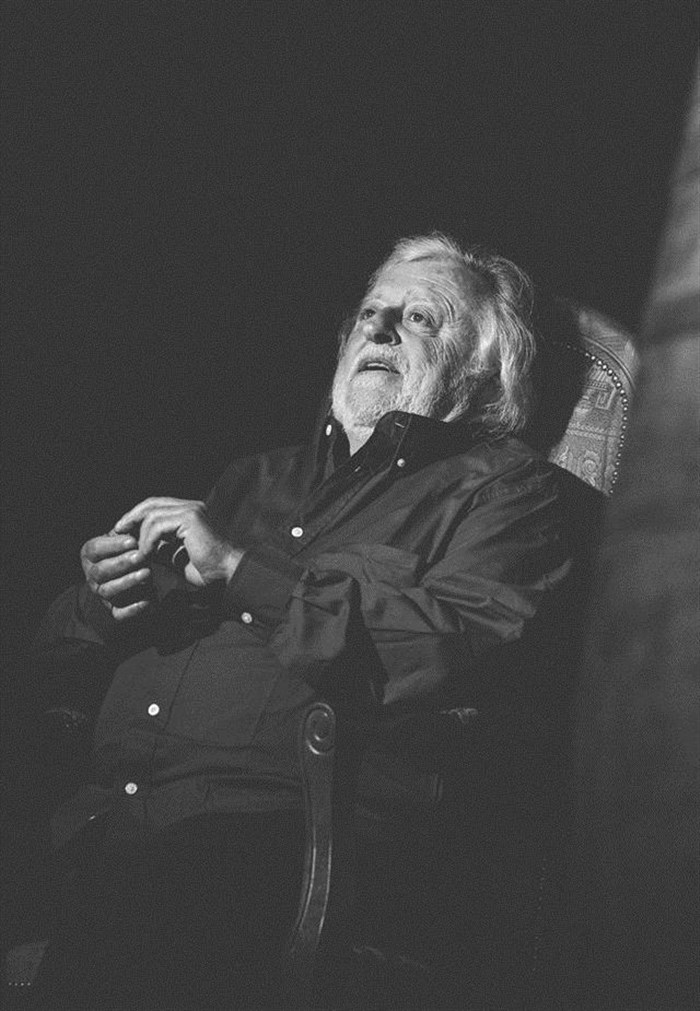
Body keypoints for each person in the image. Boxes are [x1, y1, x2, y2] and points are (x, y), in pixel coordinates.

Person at [28, 233, 576, 1008]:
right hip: (104, 823)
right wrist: (103, 600)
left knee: (153, 902)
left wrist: (241, 573)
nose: (379, 329)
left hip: (286, 843)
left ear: (484, 369)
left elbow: (456, 643)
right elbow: (50, 659)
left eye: (419, 317)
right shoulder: (252, 479)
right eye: (370, 313)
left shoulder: (505, 491)